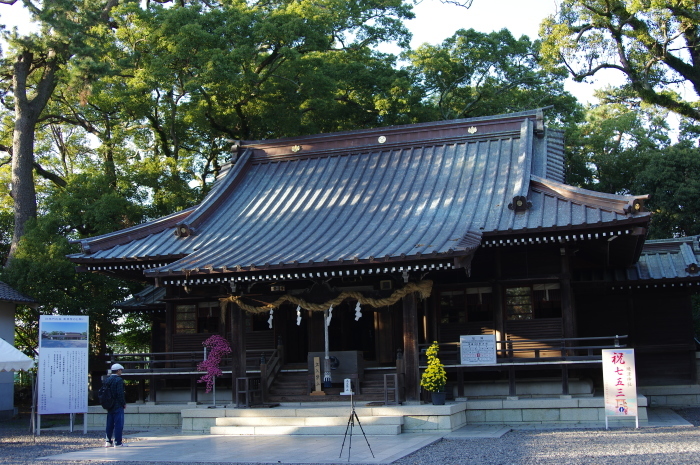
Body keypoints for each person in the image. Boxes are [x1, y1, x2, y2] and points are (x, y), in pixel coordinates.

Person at [104, 363, 127, 447]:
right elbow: (120, 393)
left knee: (109, 424)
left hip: (109, 405)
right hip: (117, 405)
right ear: (118, 370)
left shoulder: (107, 380)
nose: (121, 372)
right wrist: (123, 403)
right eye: (121, 370)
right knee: (118, 424)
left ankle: (108, 441)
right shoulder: (119, 380)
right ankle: (118, 442)